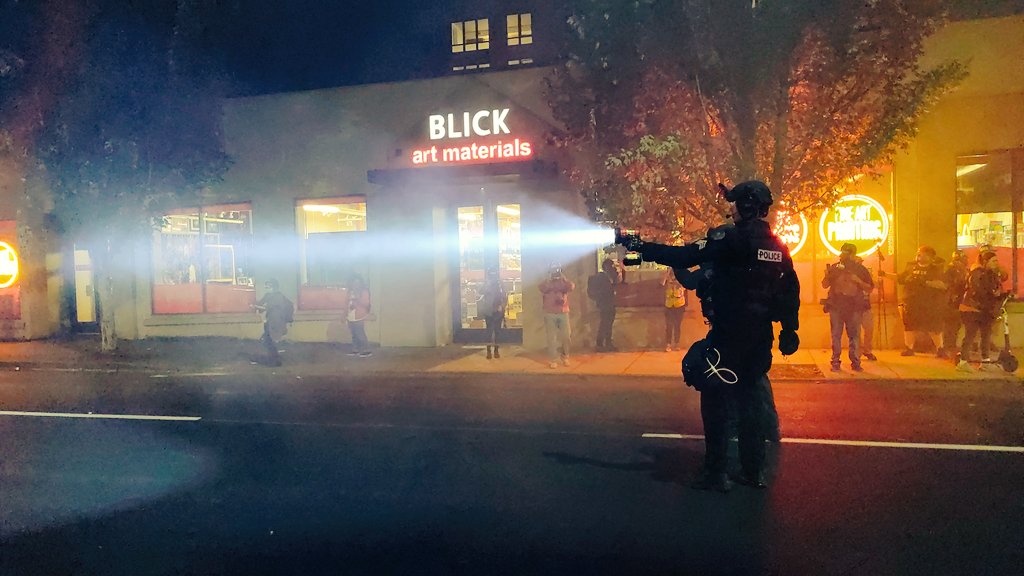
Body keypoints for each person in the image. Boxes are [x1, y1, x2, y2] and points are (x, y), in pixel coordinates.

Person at [617, 180, 800, 492]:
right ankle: (753, 471)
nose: (731, 209)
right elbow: (789, 291)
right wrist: (788, 329)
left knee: (714, 400)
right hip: (759, 340)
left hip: (728, 337)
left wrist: (640, 247)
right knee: (750, 404)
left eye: (735, 203)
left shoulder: (729, 239)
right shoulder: (776, 247)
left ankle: (716, 473)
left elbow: (686, 257)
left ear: (747, 205)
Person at [822, 243, 873, 372]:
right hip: (836, 306)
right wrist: (827, 275)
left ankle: (855, 362)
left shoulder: (860, 269)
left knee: (854, 335)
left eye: (847, 252)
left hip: (854, 306)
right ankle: (835, 361)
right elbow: (824, 284)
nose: (843, 255)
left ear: (853, 254)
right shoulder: (835, 268)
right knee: (836, 335)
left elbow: (870, 288)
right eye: (843, 252)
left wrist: (858, 281)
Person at [957, 249, 1004, 371]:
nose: (996, 263)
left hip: (985, 309)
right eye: (993, 261)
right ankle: (963, 362)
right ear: (985, 261)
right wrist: (992, 295)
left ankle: (985, 362)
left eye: (996, 260)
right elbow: (978, 291)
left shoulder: (991, 273)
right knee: (970, 334)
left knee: (986, 335)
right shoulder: (977, 273)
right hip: (972, 308)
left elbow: (996, 286)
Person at [895, 245, 946, 356]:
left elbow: (942, 285)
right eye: (918, 253)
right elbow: (900, 278)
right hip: (911, 301)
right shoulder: (910, 267)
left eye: (921, 253)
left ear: (929, 256)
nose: (918, 255)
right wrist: (884, 275)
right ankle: (909, 348)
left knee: (934, 327)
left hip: (929, 302)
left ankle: (940, 349)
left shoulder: (935, 269)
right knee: (909, 326)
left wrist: (925, 282)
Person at [539, 265, 575, 368]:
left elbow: (571, 286)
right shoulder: (547, 282)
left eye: (557, 271)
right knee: (551, 338)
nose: (555, 273)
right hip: (549, 312)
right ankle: (553, 359)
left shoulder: (563, 282)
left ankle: (565, 356)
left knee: (566, 336)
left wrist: (563, 277)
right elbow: (541, 288)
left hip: (563, 311)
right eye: (554, 271)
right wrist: (548, 278)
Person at [252, 278, 294, 367]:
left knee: (269, 340)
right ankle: (274, 358)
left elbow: (269, 308)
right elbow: (261, 304)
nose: (266, 287)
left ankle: (275, 360)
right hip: (270, 321)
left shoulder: (278, 297)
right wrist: (256, 306)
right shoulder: (268, 295)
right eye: (266, 285)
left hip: (276, 321)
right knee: (268, 340)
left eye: (268, 285)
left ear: (274, 286)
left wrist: (257, 307)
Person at [942, 249, 969, 359]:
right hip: (952, 301)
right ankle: (949, 345)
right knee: (951, 324)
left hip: (958, 300)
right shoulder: (952, 269)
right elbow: (951, 285)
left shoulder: (961, 269)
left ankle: (950, 345)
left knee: (955, 324)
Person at [587, 258, 619, 351]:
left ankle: (607, 342)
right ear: (606, 267)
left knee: (609, 323)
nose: (613, 268)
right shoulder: (600, 277)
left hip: (611, 302)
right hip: (604, 303)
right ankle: (600, 343)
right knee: (605, 323)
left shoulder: (611, 276)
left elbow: (615, 283)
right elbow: (602, 290)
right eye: (611, 266)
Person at [480, 267, 506, 359]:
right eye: (491, 275)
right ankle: (488, 351)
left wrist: (502, 307)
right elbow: (481, 291)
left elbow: (504, 295)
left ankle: (496, 350)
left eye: (494, 274)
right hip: (489, 311)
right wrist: (487, 284)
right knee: (489, 331)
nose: (493, 277)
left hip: (497, 310)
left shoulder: (500, 284)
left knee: (497, 331)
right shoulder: (487, 283)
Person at [661, 268, 688, 352]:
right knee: (669, 325)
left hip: (679, 304)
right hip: (669, 305)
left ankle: (676, 343)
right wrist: (667, 273)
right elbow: (662, 283)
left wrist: (677, 280)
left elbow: (684, 287)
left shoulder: (681, 278)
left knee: (677, 325)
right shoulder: (666, 278)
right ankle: (668, 344)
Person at [347, 274, 373, 357]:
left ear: (361, 283)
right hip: (350, 315)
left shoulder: (364, 292)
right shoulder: (350, 292)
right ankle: (355, 350)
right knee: (354, 334)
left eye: (357, 283)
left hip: (359, 315)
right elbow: (346, 303)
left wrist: (357, 298)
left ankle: (366, 350)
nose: (355, 285)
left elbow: (366, 304)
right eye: (354, 283)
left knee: (360, 333)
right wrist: (344, 314)